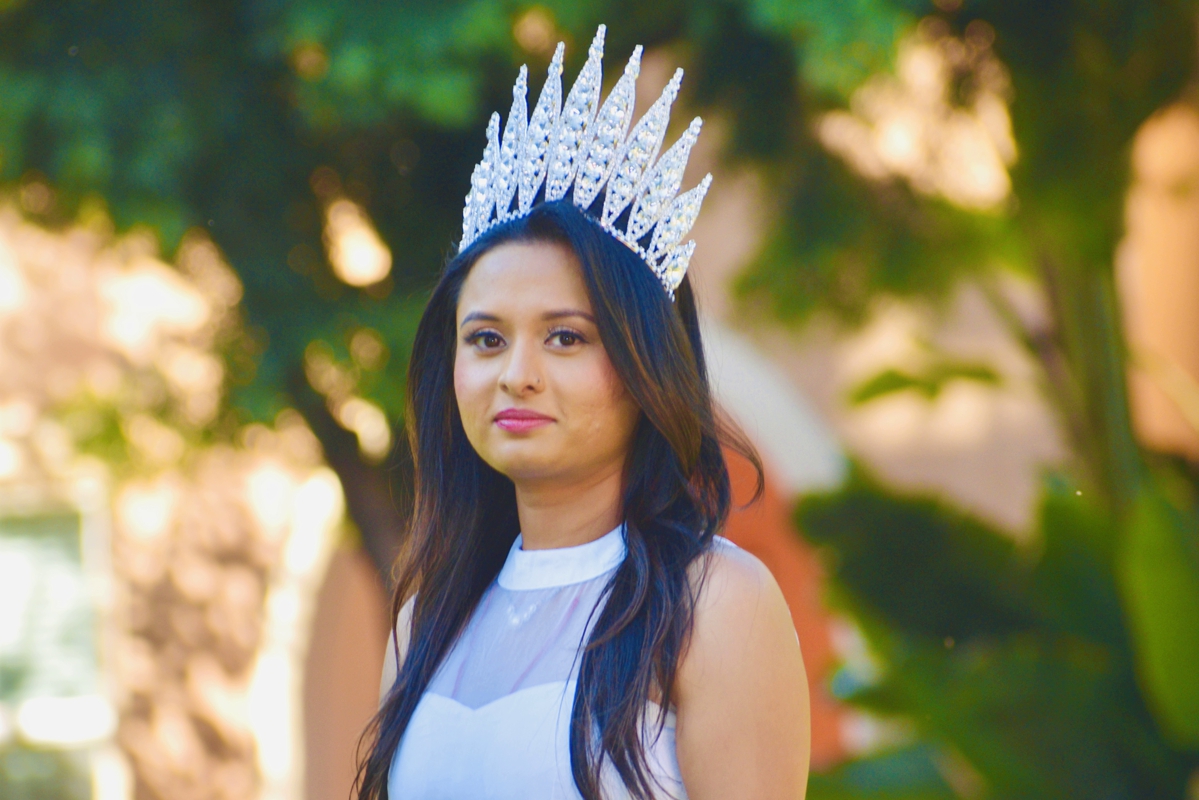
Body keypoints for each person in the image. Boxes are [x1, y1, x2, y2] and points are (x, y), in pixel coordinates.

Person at [357, 26, 810, 800]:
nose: (517, 376)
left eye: (565, 337)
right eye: (486, 339)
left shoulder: (712, 604)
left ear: (643, 366)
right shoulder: (425, 621)